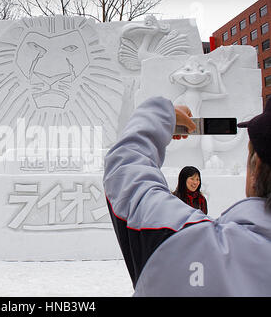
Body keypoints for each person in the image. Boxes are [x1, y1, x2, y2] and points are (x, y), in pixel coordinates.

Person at [104, 96, 271, 296]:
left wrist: (158, 116)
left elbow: (127, 172)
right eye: (191, 179)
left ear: (256, 166)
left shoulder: (197, 245)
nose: (194, 182)